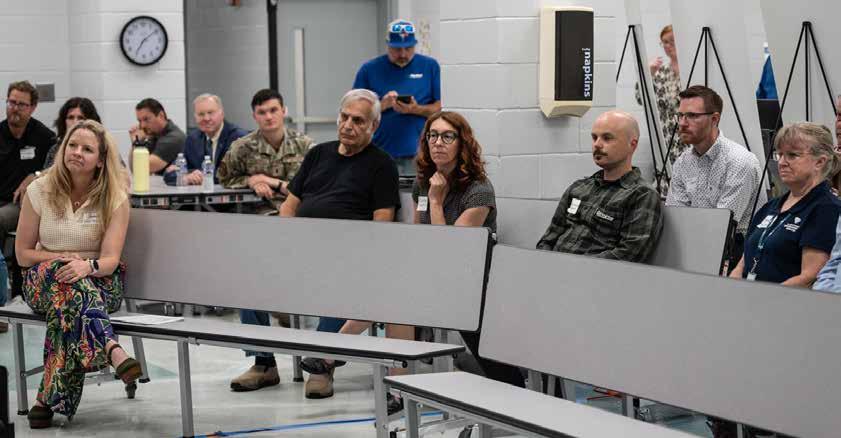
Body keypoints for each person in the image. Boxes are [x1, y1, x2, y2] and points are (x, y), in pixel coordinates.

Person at [14, 120, 140, 428]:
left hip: (99, 281)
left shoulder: (115, 198)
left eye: (87, 149)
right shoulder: (39, 190)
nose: (77, 152)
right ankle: (110, 346)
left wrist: (86, 266)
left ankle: (45, 400)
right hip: (43, 279)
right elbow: (23, 254)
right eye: (72, 145)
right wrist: (62, 259)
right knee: (64, 278)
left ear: (101, 160)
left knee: (68, 302)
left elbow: (110, 260)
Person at [281, 89, 400, 400]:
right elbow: (289, 206)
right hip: (302, 247)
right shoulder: (318, 154)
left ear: (374, 125)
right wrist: (286, 242)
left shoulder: (382, 165)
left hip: (347, 255)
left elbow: (382, 224)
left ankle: (321, 365)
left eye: (358, 120)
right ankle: (262, 363)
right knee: (247, 277)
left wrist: (353, 253)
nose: (348, 125)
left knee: (341, 282)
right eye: (344, 117)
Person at [412, 111, 524, 406]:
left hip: (472, 277)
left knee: (462, 312)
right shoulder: (423, 183)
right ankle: (396, 386)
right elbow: (418, 235)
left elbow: (451, 251)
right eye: (432, 136)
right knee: (392, 293)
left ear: (462, 143)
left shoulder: (479, 190)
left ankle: (512, 390)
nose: (438, 143)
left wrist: (436, 202)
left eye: (447, 136)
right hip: (435, 272)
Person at [537, 110, 664, 262]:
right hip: (552, 268)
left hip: (594, 274)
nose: (597, 144)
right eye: (594, 137)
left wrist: (571, 267)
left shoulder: (641, 195)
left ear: (632, 145)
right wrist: (544, 264)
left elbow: (630, 254)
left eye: (607, 138)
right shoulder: (578, 188)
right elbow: (548, 239)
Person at [666, 85, 766, 267]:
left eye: (692, 116)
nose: (682, 123)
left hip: (738, 253)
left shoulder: (739, 161)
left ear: (714, 119)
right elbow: (676, 219)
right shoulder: (683, 162)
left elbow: (721, 228)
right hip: (696, 246)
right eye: (680, 115)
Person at [730, 122, 840, 286]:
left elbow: (810, 276)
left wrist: (763, 298)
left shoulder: (826, 209)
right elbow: (743, 262)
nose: (782, 162)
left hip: (785, 299)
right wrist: (732, 288)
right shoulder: (770, 206)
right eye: (779, 154)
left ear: (819, 162)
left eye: (792, 155)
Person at [352, 19, 441, 175]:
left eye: (408, 48)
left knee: (419, 191)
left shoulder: (430, 66)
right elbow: (354, 111)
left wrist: (415, 109)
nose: (403, 54)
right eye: (397, 49)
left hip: (420, 154)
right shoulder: (369, 69)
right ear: (388, 45)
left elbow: (440, 108)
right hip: (379, 152)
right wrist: (381, 105)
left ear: (415, 45)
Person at [0, 81, 56, 311]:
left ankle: (8, 294)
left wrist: (36, 175)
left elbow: (55, 167)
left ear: (33, 107)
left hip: (24, 205)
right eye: (11, 102)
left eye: (21, 104)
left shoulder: (44, 137)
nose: (15, 108)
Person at [218, 89, 312, 214]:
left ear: (283, 111)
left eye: (273, 110)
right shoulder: (242, 147)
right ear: (254, 116)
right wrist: (250, 181)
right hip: (261, 213)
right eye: (262, 112)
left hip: (299, 212)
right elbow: (224, 179)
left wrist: (269, 181)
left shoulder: (304, 145)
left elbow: (315, 186)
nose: (268, 117)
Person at [163, 94, 248, 185]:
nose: (206, 118)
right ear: (195, 117)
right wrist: (186, 178)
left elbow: (232, 175)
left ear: (222, 114)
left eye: (211, 113)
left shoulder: (238, 138)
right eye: (201, 114)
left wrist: (199, 175)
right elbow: (169, 174)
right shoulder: (193, 139)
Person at [635, 25, 687, 167]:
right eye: (664, 42)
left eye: (672, 41)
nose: (668, 46)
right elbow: (640, 98)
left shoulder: (692, 68)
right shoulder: (660, 72)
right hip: (666, 136)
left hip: (690, 135)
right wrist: (648, 74)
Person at [129, 98, 186, 174]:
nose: (142, 126)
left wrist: (137, 144)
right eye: (139, 121)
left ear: (161, 116)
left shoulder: (174, 138)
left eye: (146, 119)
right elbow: (134, 169)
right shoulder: (153, 135)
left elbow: (142, 168)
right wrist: (136, 143)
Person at [44, 97, 102, 168]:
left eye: (81, 118)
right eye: (70, 117)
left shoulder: (102, 146)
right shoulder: (55, 149)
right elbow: (48, 174)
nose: (75, 122)